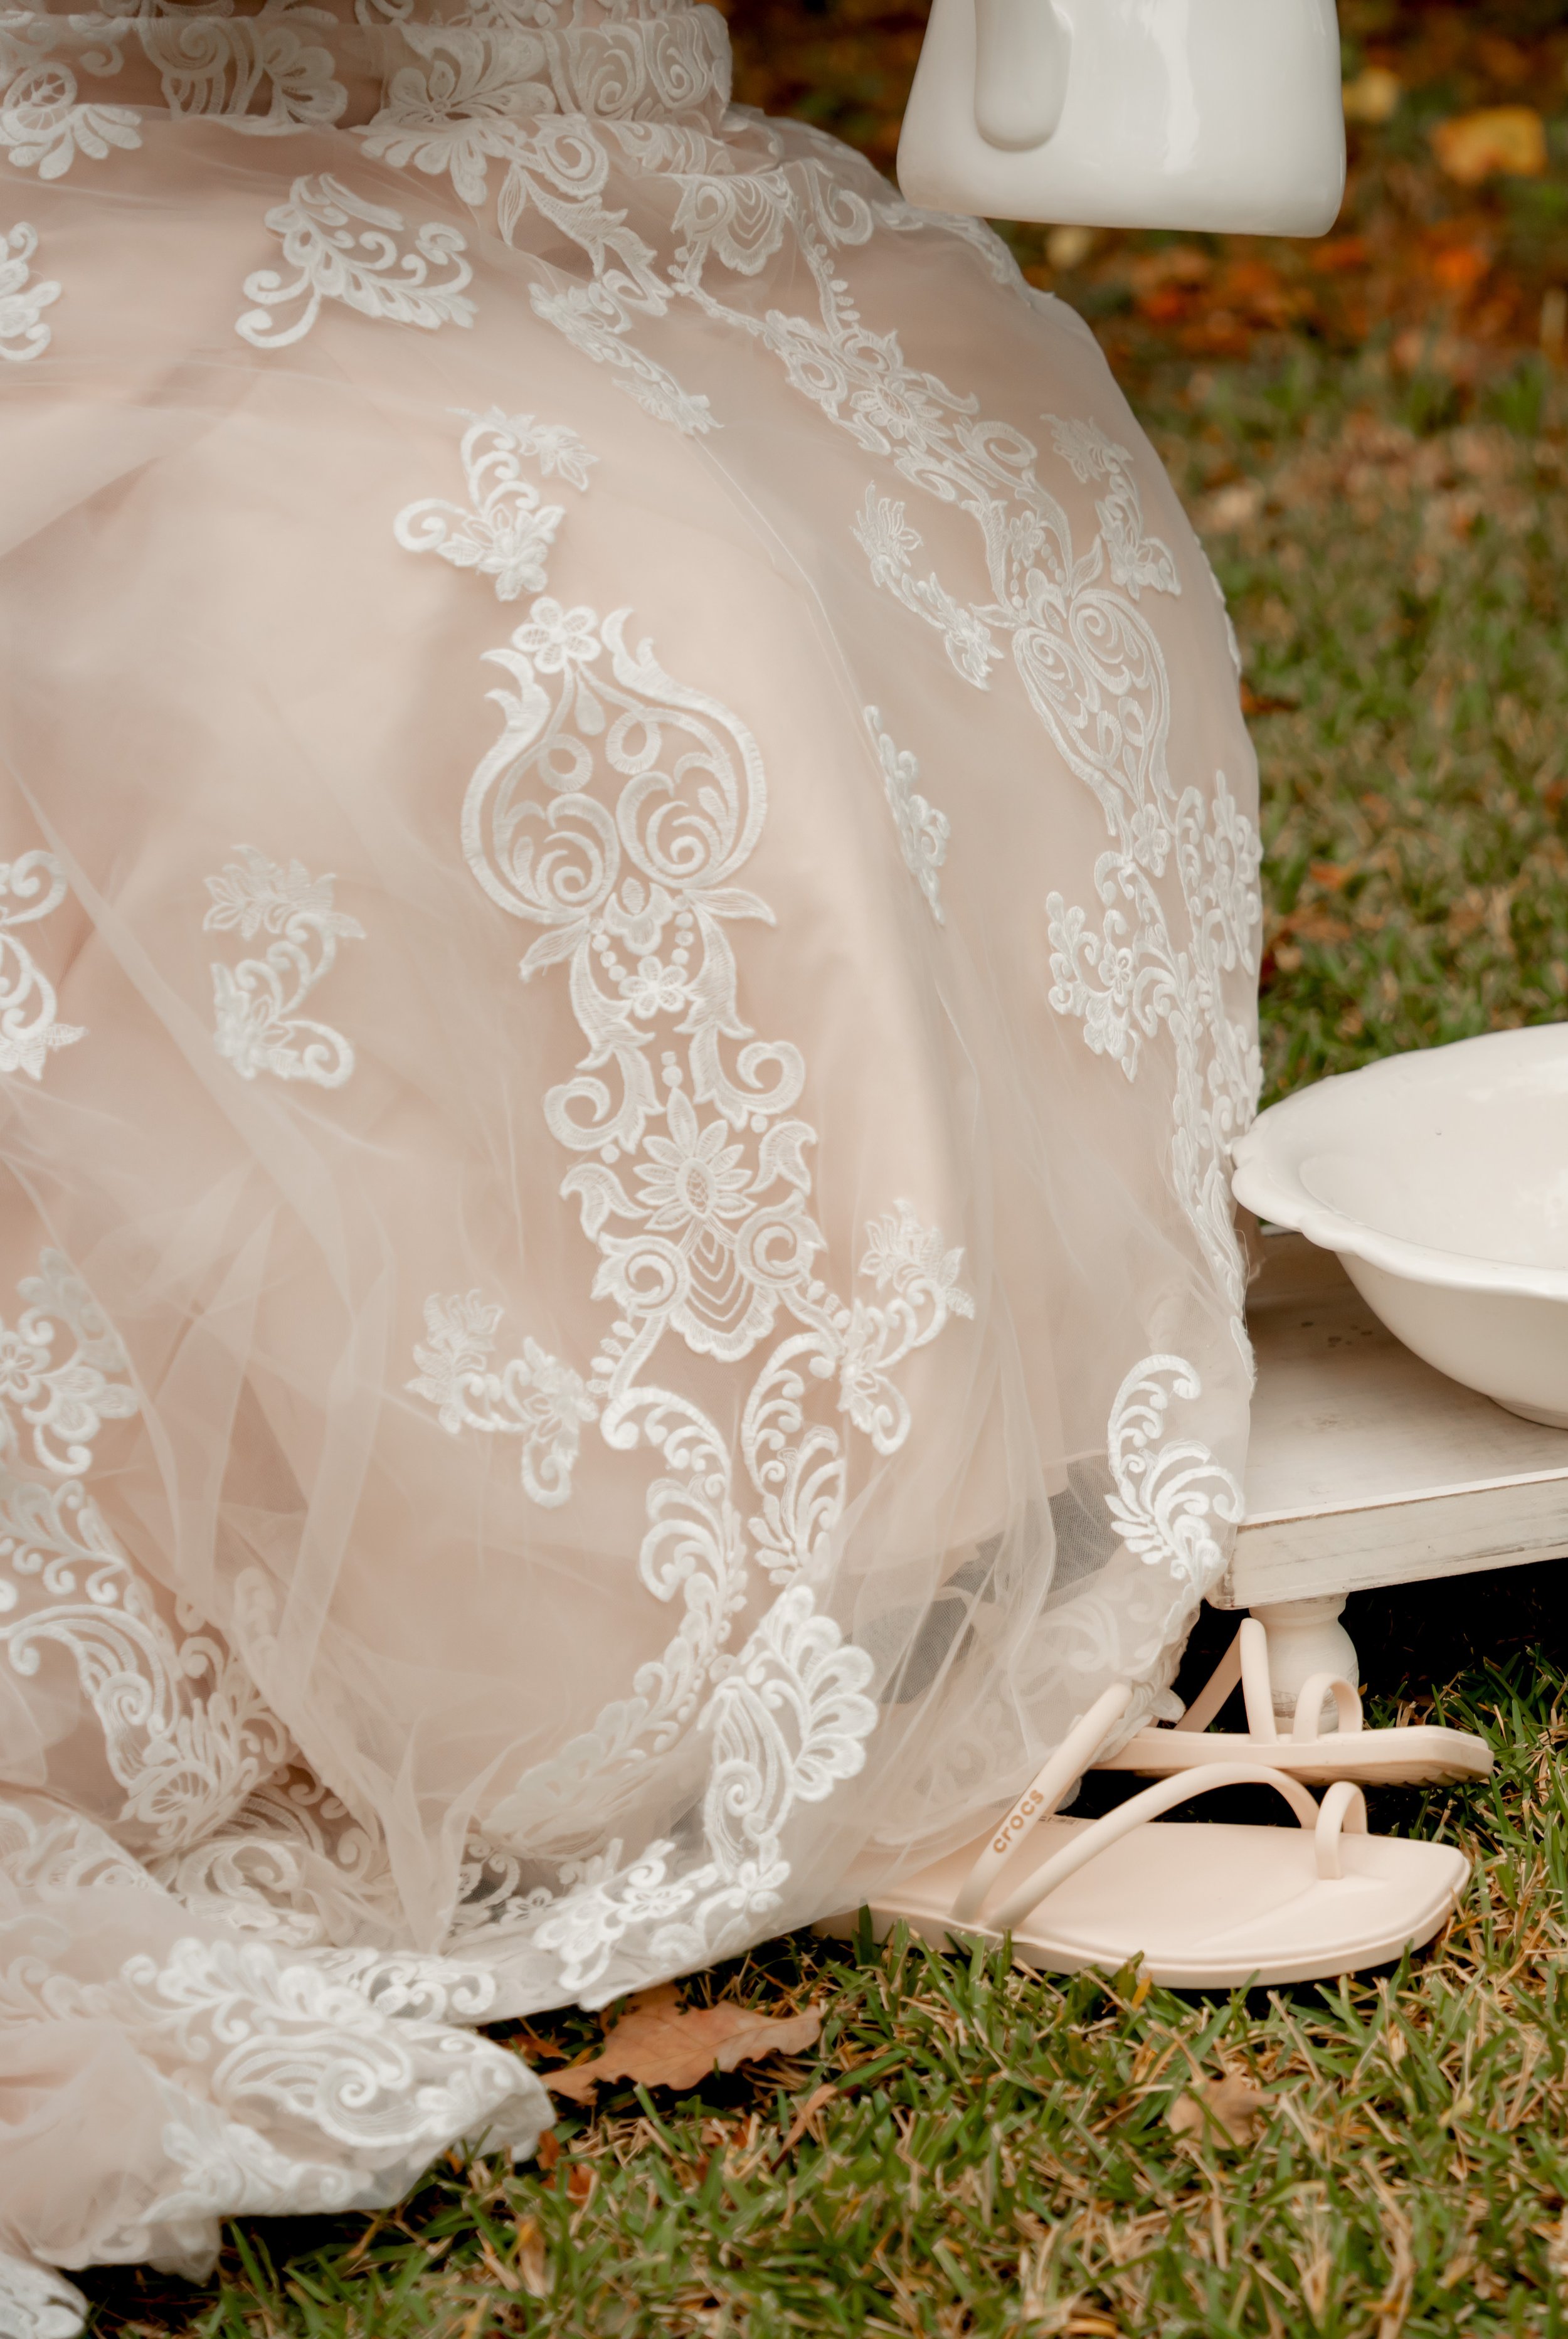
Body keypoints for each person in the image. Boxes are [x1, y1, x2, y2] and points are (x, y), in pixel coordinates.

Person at [0, 0, 1260, 2319]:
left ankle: (826, 1561)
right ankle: (533, 1621)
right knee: (528, 583)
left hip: (592, 167)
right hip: (138, 161)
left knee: (861, 510)